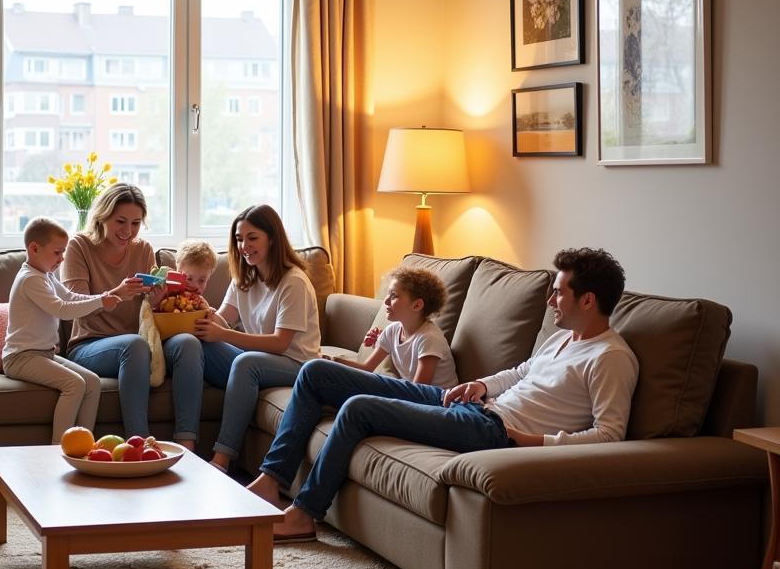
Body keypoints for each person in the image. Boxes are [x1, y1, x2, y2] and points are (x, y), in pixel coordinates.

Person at [248, 247, 639, 542]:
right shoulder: (562, 338)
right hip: (474, 405)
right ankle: (271, 479)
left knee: (358, 408)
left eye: (558, 293)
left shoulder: (611, 357)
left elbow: (609, 434)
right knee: (318, 372)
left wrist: (533, 440)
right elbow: (521, 372)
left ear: (587, 300)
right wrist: (481, 385)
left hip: (492, 431)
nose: (550, 300)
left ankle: (304, 515)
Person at [62, 183, 204, 449]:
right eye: (120, 221)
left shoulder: (143, 249)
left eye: (136, 223)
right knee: (135, 345)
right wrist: (115, 294)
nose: (128, 231)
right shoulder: (79, 246)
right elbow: (72, 304)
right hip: (90, 344)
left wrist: (156, 299)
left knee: (188, 343)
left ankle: (187, 445)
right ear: (102, 216)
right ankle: (139, 445)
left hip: (141, 341)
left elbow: (148, 311)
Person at [194, 204, 321, 472]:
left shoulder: (293, 281)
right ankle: (186, 442)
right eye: (239, 239)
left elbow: (280, 343)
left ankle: (221, 460)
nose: (244, 246)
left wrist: (224, 334)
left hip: (295, 363)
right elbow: (222, 318)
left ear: (272, 238)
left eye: (252, 238)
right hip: (259, 362)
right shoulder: (245, 275)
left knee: (246, 364)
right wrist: (196, 308)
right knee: (198, 344)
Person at [2, 217, 121, 443]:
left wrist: (101, 298)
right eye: (57, 252)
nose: (62, 258)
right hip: (20, 358)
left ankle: (84, 445)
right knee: (74, 384)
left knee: (92, 382)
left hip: (44, 354)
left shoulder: (45, 275)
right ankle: (58, 449)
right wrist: (100, 303)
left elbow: (69, 296)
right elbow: (63, 310)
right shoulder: (30, 279)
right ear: (34, 249)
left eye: (63, 252)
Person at [322, 266, 457, 390]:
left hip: (436, 402)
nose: (386, 301)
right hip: (413, 394)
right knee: (321, 371)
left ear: (416, 305)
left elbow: (420, 392)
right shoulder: (392, 331)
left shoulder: (429, 339)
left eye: (393, 296)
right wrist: (333, 361)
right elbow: (367, 368)